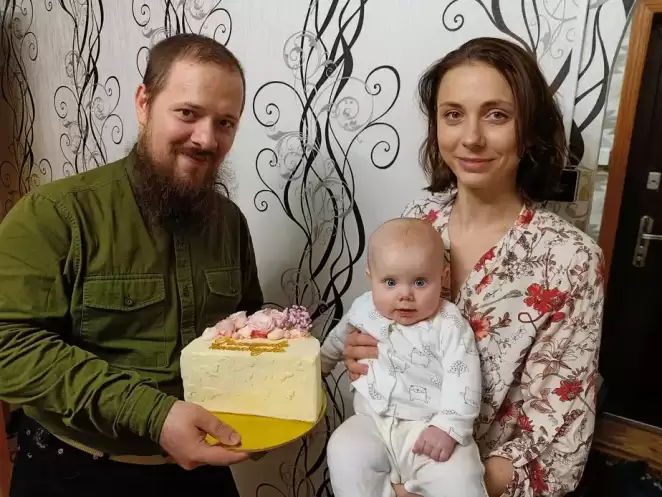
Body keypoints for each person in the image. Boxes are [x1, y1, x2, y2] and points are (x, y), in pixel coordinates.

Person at [0, 33, 263, 497]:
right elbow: (8, 344)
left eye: (225, 122)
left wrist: (322, 355)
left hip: (199, 472)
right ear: (144, 103)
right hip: (75, 472)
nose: (206, 138)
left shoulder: (231, 222)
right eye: (188, 113)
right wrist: (154, 415)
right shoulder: (55, 214)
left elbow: (247, 328)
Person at [340, 37, 605, 497]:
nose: (471, 137)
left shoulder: (570, 260)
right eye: (453, 114)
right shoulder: (418, 220)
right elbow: (379, 339)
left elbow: (558, 445)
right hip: (386, 463)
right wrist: (361, 352)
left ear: (529, 130)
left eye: (496, 115)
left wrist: (428, 489)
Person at [320, 218, 486, 496]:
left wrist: (449, 427)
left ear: (443, 277)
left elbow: (464, 377)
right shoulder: (362, 309)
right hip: (371, 421)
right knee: (343, 448)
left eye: (420, 282)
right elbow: (336, 342)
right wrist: (319, 367)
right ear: (370, 277)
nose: (405, 295)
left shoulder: (448, 322)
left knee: (461, 475)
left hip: (428, 428)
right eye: (390, 282)